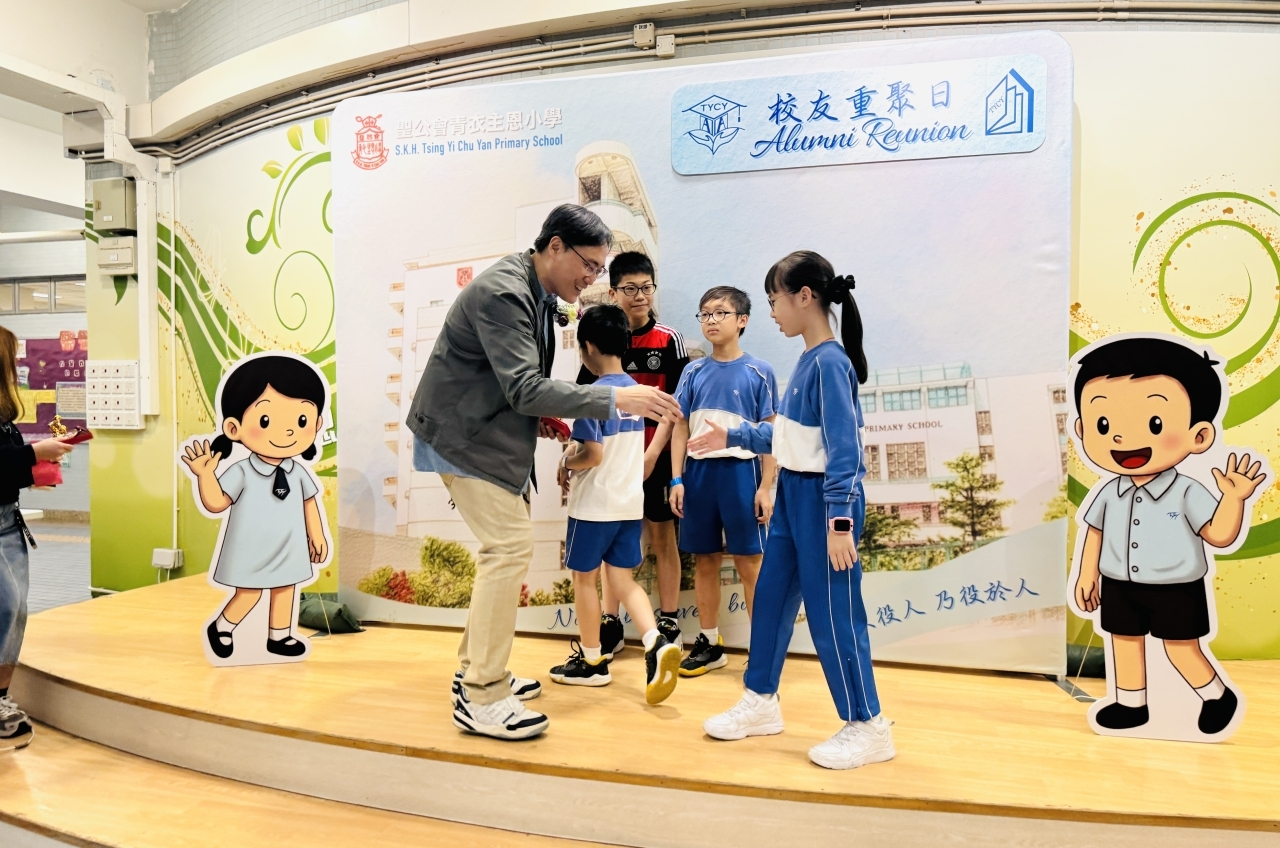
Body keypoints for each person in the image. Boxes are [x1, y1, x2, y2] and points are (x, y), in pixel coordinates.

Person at [406, 205, 682, 741]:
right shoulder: (504, 292)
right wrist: (616, 400)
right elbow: (523, 387)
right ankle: (482, 694)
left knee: (505, 550)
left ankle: (477, 671)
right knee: (509, 548)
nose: (592, 278)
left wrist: (543, 419)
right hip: (462, 438)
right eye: (589, 265)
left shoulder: (537, 293)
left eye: (599, 269)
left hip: (486, 436)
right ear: (555, 246)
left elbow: (513, 384)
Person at [695, 251, 894, 771]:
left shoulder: (829, 362)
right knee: (770, 600)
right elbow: (791, 438)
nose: (772, 312)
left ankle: (868, 725)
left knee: (834, 618)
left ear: (804, 297)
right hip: (793, 500)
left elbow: (846, 450)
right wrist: (733, 434)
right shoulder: (808, 360)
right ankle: (760, 699)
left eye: (773, 300)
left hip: (825, 505)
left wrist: (839, 523)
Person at [1072, 336, 1258, 735]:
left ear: (1199, 435)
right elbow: (1094, 531)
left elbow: (1219, 535)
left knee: (1180, 647)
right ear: (1082, 429)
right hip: (1119, 582)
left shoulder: (1188, 491)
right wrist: (1087, 575)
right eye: (1104, 425)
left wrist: (1234, 499)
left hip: (1176, 586)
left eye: (1154, 423)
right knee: (1124, 641)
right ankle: (1130, 705)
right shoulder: (1109, 491)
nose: (1121, 438)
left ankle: (1215, 695)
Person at [549, 305, 682, 704]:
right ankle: (655, 641)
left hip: (593, 508)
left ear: (588, 347)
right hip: (628, 504)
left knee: (584, 580)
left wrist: (566, 462)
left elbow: (592, 455)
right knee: (623, 581)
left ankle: (592, 662)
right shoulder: (636, 395)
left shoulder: (593, 396)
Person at [181, 354, 332, 664]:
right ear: (233, 427)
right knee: (249, 592)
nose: (288, 432)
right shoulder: (242, 471)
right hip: (252, 547)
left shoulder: (297, 472)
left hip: (289, 546)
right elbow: (217, 502)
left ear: (317, 423)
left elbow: (309, 503)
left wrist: (317, 535)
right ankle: (222, 628)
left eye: (301, 421)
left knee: (286, 588)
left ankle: (280, 637)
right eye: (266, 421)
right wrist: (205, 475)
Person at [577, 252, 689, 660]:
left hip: (653, 455)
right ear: (613, 292)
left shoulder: (669, 339)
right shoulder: (602, 338)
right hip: (611, 460)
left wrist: (653, 454)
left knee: (661, 537)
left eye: (646, 287)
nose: (640, 296)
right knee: (613, 543)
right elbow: (585, 398)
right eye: (630, 288)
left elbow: (676, 406)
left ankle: (668, 621)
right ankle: (611, 623)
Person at [669, 286, 777, 677]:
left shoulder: (759, 372)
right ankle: (710, 642)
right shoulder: (692, 371)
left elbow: (772, 434)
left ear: (742, 320)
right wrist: (676, 478)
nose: (711, 320)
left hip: (742, 475)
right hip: (698, 476)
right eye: (705, 313)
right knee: (705, 561)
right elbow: (680, 427)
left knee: (751, 563)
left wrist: (766, 486)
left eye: (720, 313)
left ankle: (763, 649)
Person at [0, 326, 75, 750]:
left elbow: (6, 465)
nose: (17, 367)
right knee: (5, 607)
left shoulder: (4, 415)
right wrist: (34, 454)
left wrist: (34, 472)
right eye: (11, 359)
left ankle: (0, 699)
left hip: (8, 523)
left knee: (15, 612)